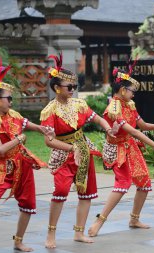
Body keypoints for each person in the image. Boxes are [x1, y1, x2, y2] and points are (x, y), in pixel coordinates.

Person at [88, 63, 154, 237]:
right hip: (118, 149)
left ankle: (134, 219)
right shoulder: (113, 108)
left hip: (131, 147)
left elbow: (141, 125)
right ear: (122, 90)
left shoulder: (130, 104)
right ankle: (99, 221)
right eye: (131, 90)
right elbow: (133, 130)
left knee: (144, 184)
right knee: (122, 185)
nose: (133, 93)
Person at [0, 59, 53, 252]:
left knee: (27, 203)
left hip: (23, 165)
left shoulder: (13, 114)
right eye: (8, 98)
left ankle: (18, 241)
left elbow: (27, 123)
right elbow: (0, 149)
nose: (11, 101)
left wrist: (43, 129)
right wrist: (19, 140)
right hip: (4, 167)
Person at [40, 53, 115, 248]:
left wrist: (108, 128)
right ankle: (51, 234)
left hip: (83, 148)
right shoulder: (49, 110)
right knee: (61, 191)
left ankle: (79, 233)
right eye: (69, 87)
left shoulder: (79, 104)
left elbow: (97, 118)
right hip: (64, 152)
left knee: (86, 193)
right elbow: (49, 141)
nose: (73, 90)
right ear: (57, 88)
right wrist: (71, 148)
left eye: (75, 86)